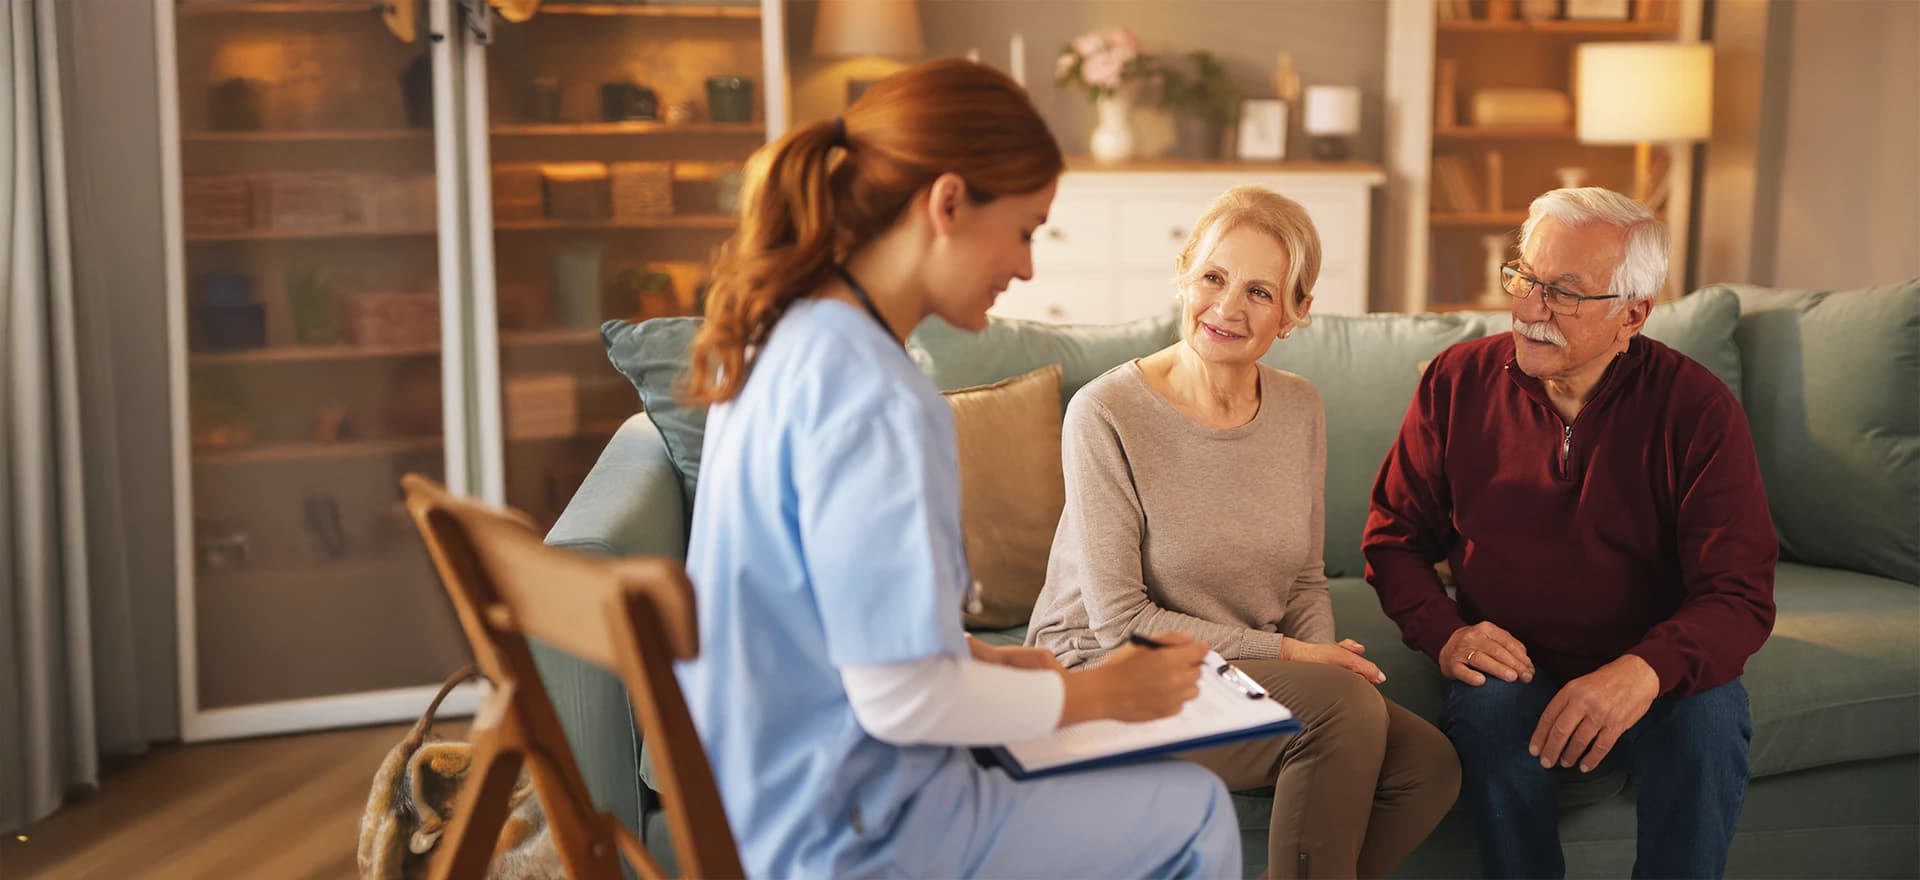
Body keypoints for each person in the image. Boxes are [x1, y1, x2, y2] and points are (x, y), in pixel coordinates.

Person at [676, 59, 1240, 880]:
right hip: (852, 833)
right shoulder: (881, 401)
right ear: (946, 203)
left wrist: (983, 660)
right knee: (1193, 810)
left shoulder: (776, 343)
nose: (1027, 268)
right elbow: (902, 699)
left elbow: (830, 619)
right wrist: (1103, 696)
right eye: (1026, 229)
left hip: (757, 805)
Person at [1026, 185, 1459, 879]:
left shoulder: (1298, 408)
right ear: (1183, 275)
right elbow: (1120, 623)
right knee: (1344, 715)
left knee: (1427, 765)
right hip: (1108, 679)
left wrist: (1321, 664)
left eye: (1261, 292)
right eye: (1214, 277)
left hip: (1237, 674)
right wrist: (1302, 662)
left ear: (1295, 314)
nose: (1228, 307)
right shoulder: (1106, 412)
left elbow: (1306, 578)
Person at [1363, 186, 1778, 878]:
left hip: (1653, 659)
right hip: (1512, 658)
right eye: (1524, 276)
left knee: (1708, 726)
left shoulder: (1698, 409)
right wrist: (1449, 634)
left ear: (1633, 314)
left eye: (1562, 291)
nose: (1529, 308)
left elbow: (1738, 594)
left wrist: (1642, 672)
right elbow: (1394, 538)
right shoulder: (1455, 381)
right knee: (1491, 722)